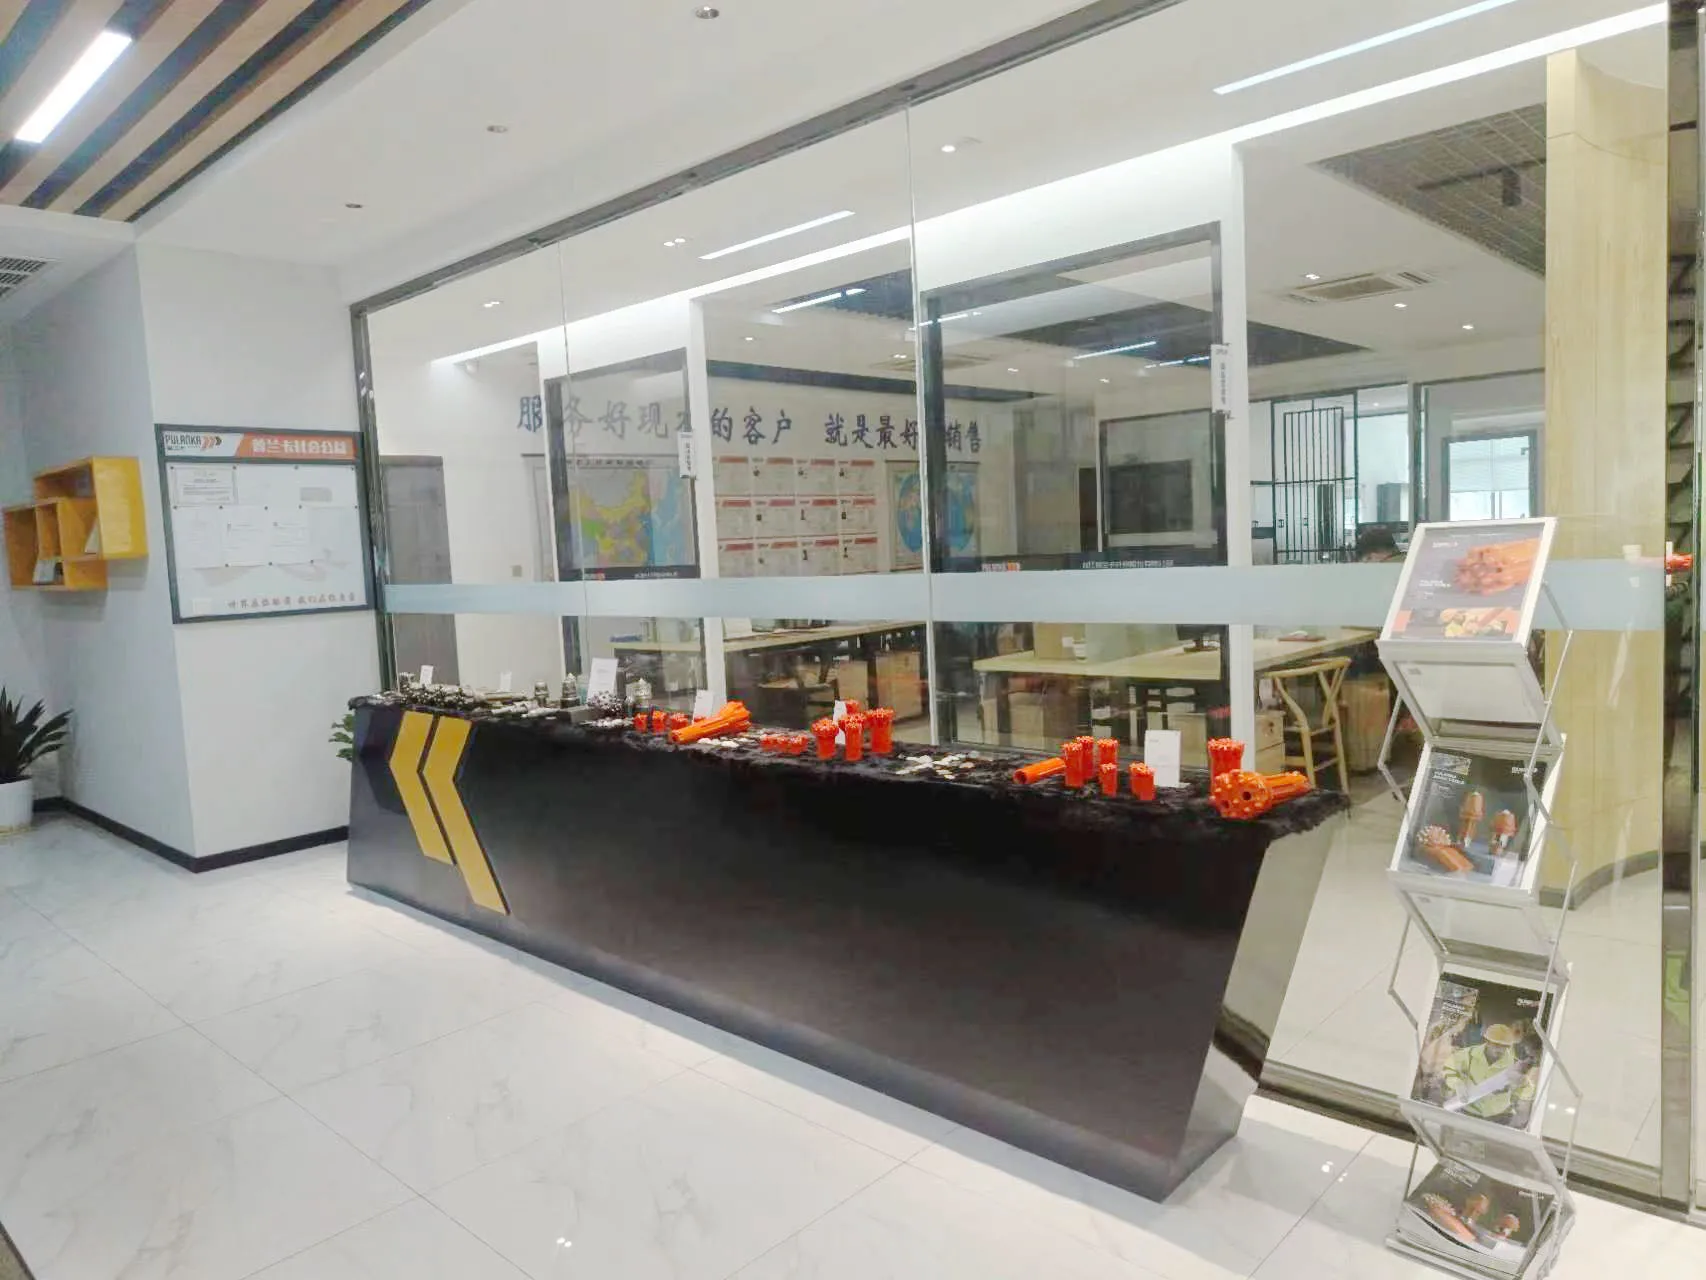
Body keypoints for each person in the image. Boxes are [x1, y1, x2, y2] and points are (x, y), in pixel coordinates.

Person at [1441, 1023, 1538, 1123]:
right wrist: (1457, 1083)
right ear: (1487, 1042)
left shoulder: (1514, 1066)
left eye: (1504, 1046)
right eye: (1496, 1045)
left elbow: (1529, 1094)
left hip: (1499, 1118)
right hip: (1467, 1112)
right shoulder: (1468, 1055)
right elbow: (1449, 1068)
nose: (1499, 1049)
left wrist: (1523, 1083)